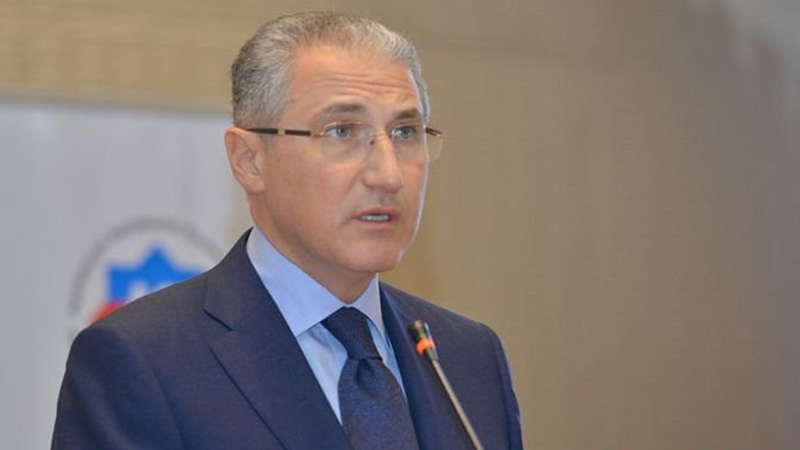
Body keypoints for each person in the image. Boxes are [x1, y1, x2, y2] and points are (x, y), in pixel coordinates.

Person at [52, 11, 523, 450]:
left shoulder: (469, 357)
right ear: (249, 160)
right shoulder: (143, 360)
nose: (388, 174)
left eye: (405, 133)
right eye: (342, 131)